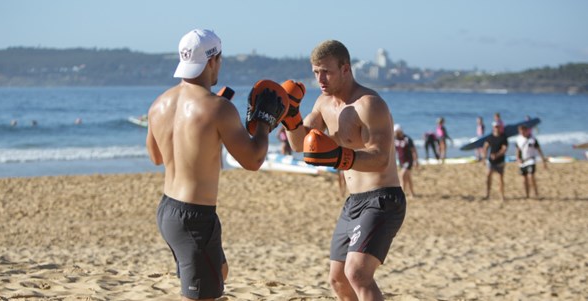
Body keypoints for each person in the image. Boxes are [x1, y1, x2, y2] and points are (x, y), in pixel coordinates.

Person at [147, 29, 287, 301]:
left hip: (168, 210)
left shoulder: (159, 103)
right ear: (213, 60)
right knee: (200, 295)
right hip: (195, 217)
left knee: (219, 271)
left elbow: (156, 157)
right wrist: (263, 124)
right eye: (220, 60)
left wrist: (204, 137)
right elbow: (254, 160)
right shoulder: (218, 108)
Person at [284, 40, 406, 301]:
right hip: (353, 202)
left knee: (358, 273)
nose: (320, 78)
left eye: (326, 71)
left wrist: (340, 157)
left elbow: (380, 158)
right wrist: (290, 116)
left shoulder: (369, 104)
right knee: (338, 279)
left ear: (346, 69)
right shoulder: (322, 103)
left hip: (383, 198)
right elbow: (298, 145)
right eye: (316, 72)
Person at [515, 125, 547, 199]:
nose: (522, 132)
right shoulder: (519, 139)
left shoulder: (532, 139)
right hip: (523, 161)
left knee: (531, 177)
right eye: (520, 131)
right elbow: (518, 150)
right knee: (524, 179)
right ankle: (527, 195)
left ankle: (536, 194)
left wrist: (543, 161)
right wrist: (517, 158)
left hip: (530, 160)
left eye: (523, 130)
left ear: (526, 130)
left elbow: (539, 150)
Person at [482, 121, 508, 201]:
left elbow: (504, 149)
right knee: (488, 176)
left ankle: (502, 196)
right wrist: (484, 157)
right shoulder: (490, 137)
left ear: (500, 127)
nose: (496, 128)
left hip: (500, 160)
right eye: (495, 127)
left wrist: (496, 155)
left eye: (497, 127)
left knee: (500, 179)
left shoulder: (503, 137)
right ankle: (487, 194)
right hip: (491, 161)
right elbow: (485, 146)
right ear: (493, 127)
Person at [394, 124, 418, 197]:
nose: (395, 133)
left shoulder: (407, 139)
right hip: (401, 161)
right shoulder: (395, 140)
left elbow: (413, 150)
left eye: (396, 132)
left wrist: (415, 161)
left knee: (402, 175)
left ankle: (402, 193)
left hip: (408, 160)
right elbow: (394, 151)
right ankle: (412, 193)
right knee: (408, 178)